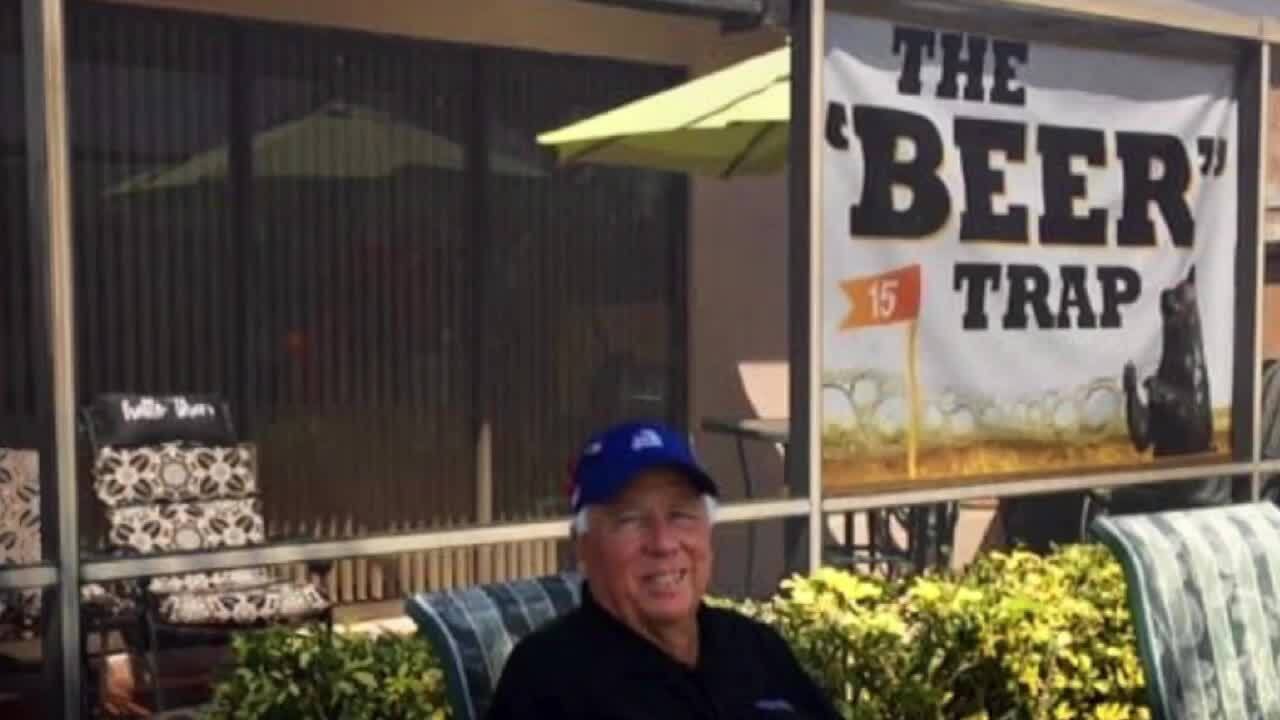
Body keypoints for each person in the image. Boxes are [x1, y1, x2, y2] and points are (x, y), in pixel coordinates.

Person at [485, 421, 843, 720]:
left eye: (681, 515)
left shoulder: (755, 648)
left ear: (708, 532)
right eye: (630, 520)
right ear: (582, 546)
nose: (663, 543)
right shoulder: (548, 679)